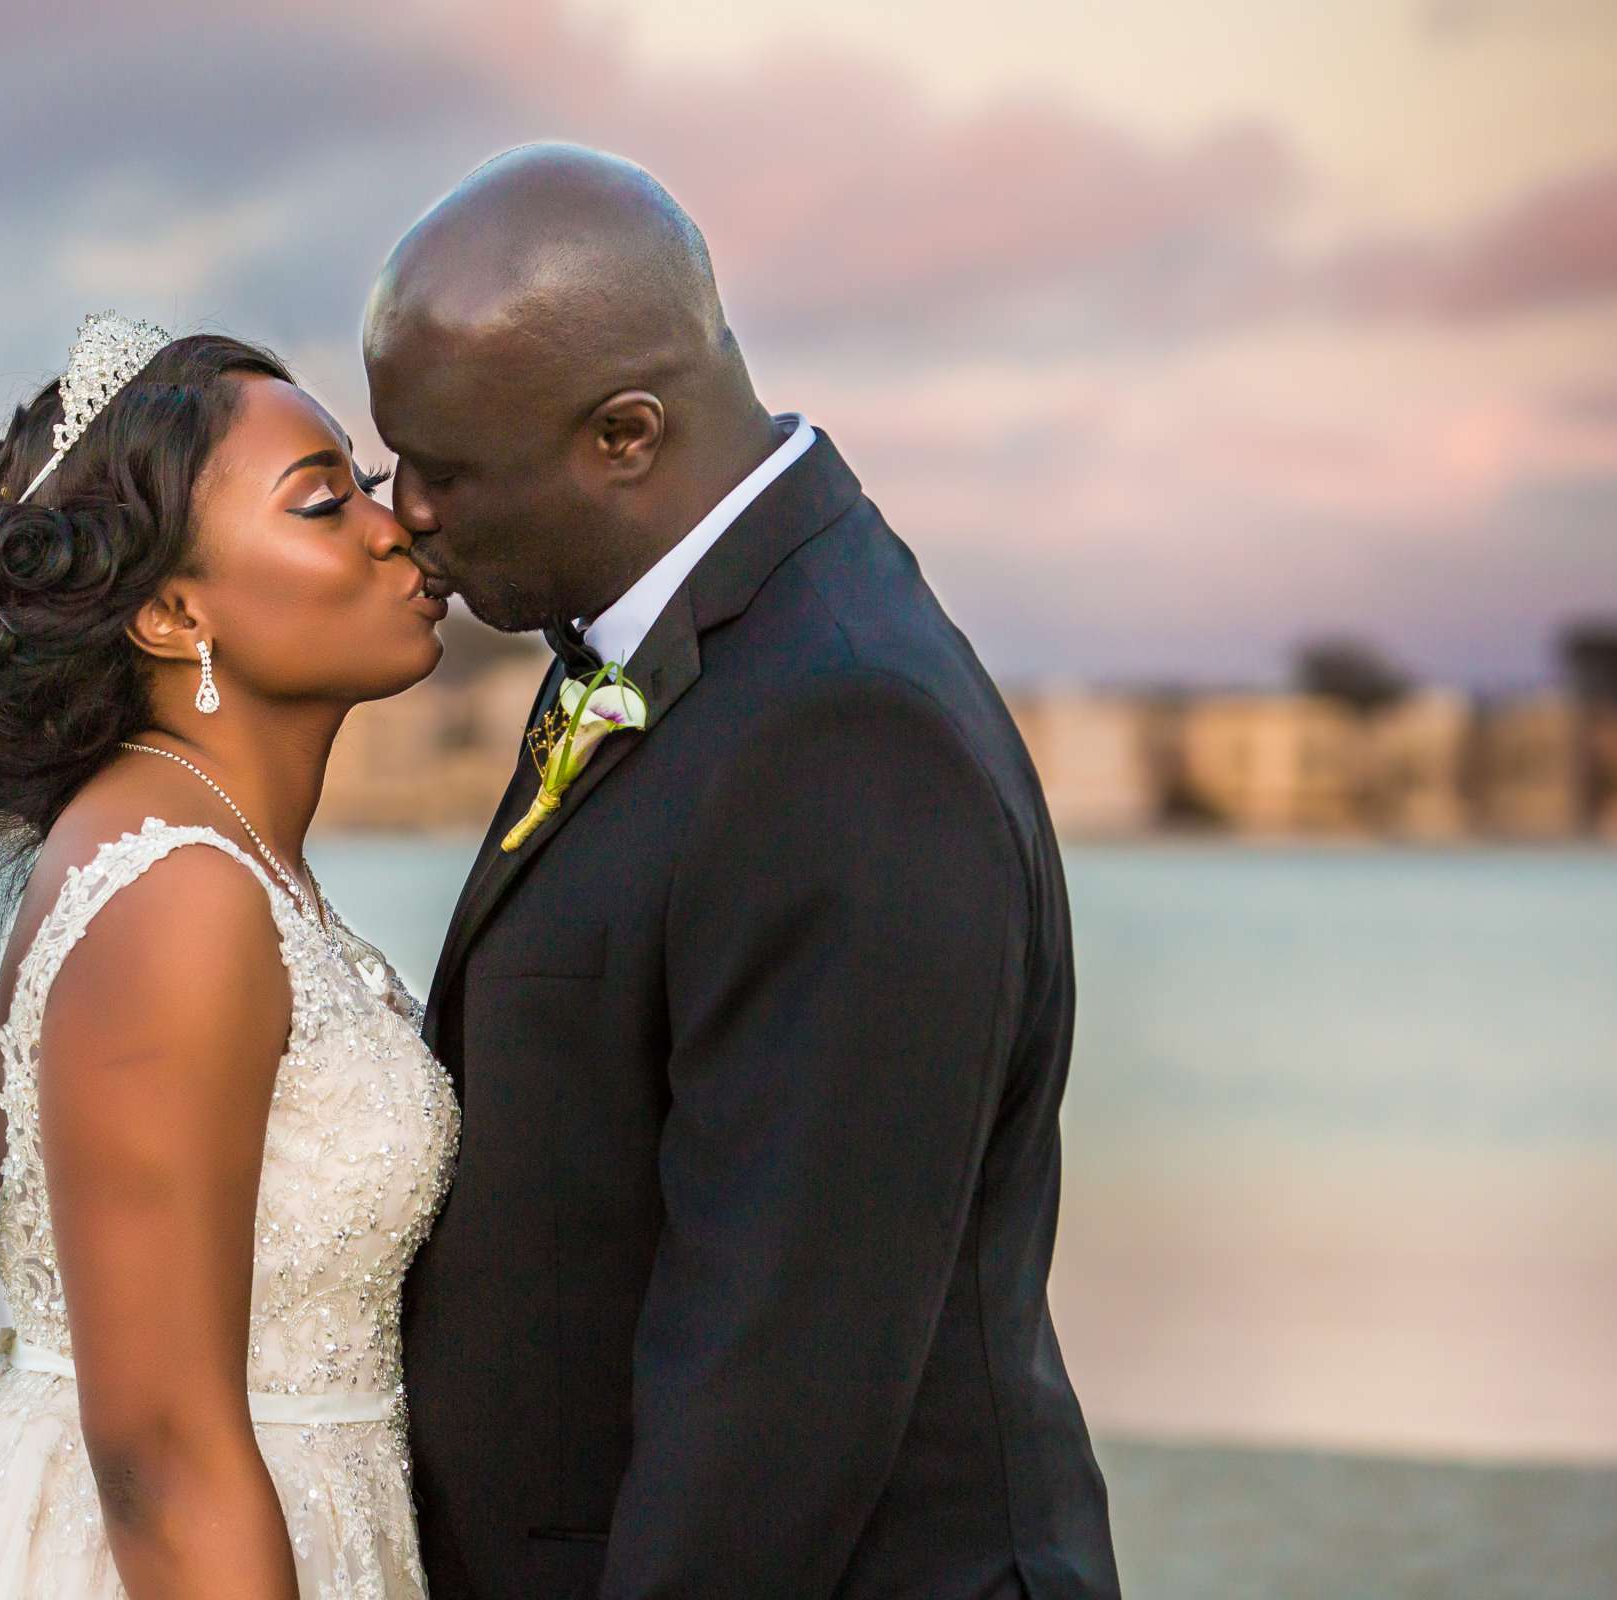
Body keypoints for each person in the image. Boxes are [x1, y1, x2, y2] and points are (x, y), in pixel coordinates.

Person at [366, 146, 1122, 1598]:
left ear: (627, 434)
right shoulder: (678, 639)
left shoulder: (846, 731)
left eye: (448, 470)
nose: (411, 510)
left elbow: (779, 1375)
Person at [0, 316, 460, 1598]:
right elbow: (161, 1451)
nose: (396, 528)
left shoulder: (212, 853)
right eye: (324, 503)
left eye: (368, 487)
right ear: (175, 612)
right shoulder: (177, 890)